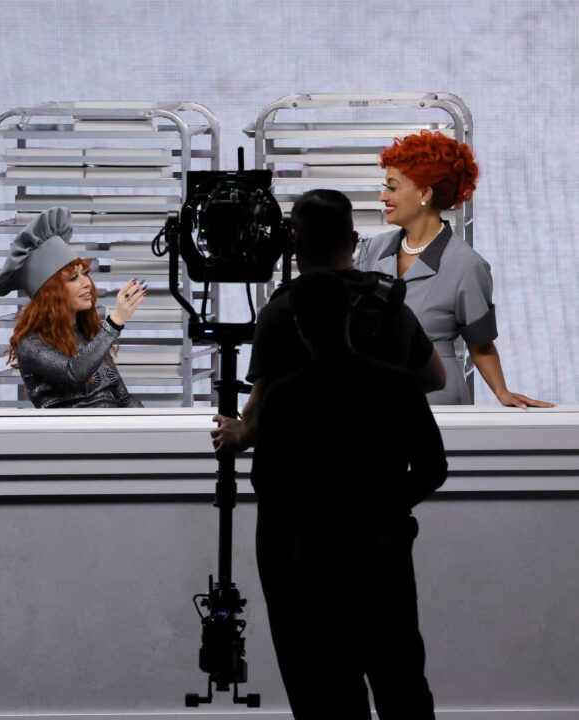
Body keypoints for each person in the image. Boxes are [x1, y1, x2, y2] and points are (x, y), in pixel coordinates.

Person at [250, 271, 448, 719]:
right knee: (402, 685)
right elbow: (433, 469)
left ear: (300, 325)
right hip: (385, 553)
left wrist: (313, 513)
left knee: (335, 690)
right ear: (350, 314)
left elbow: (266, 483)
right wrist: (387, 503)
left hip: (317, 561)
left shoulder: (284, 396)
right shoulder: (396, 384)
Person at [211, 188, 445, 453]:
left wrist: (238, 434)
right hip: (379, 480)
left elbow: (254, 423)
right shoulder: (390, 305)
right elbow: (435, 378)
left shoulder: (280, 311)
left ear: (293, 241)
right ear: (354, 240)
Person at [355, 130, 553, 408]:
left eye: (392, 186)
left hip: (435, 399)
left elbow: (480, 345)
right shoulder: (370, 251)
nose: (381, 196)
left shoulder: (467, 265)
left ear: (425, 192)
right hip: (369, 396)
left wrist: (502, 392)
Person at [0, 206, 146, 408]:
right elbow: (74, 371)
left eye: (85, 273)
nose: (87, 283)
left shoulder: (89, 334)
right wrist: (115, 322)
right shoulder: (30, 344)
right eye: (73, 278)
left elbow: (123, 397)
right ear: (50, 293)